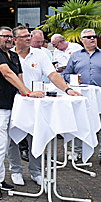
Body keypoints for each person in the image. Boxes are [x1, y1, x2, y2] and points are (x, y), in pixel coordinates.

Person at [11, 25, 80, 186]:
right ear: (15, 40)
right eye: (24, 36)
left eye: (29, 35)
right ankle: (15, 170)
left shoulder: (40, 54)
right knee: (13, 138)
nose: (28, 38)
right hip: (14, 101)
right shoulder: (9, 55)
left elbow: (53, 74)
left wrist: (67, 89)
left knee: (36, 137)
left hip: (35, 103)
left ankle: (36, 172)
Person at [0, 26, 45, 200]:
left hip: (11, 106)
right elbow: (7, 74)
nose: (8, 39)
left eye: (10, 37)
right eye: (5, 36)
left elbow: (19, 77)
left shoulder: (14, 56)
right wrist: (28, 92)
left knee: (7, 142)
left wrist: (23, 96)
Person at [62, 29, 101, 167]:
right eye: (88, 37)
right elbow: (66, 74)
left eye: (94, 36)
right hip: (81, 98)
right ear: (82, 40)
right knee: (79, 125)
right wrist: (74, 83)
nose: (92, 39)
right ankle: (76, 151)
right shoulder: (75, 56)